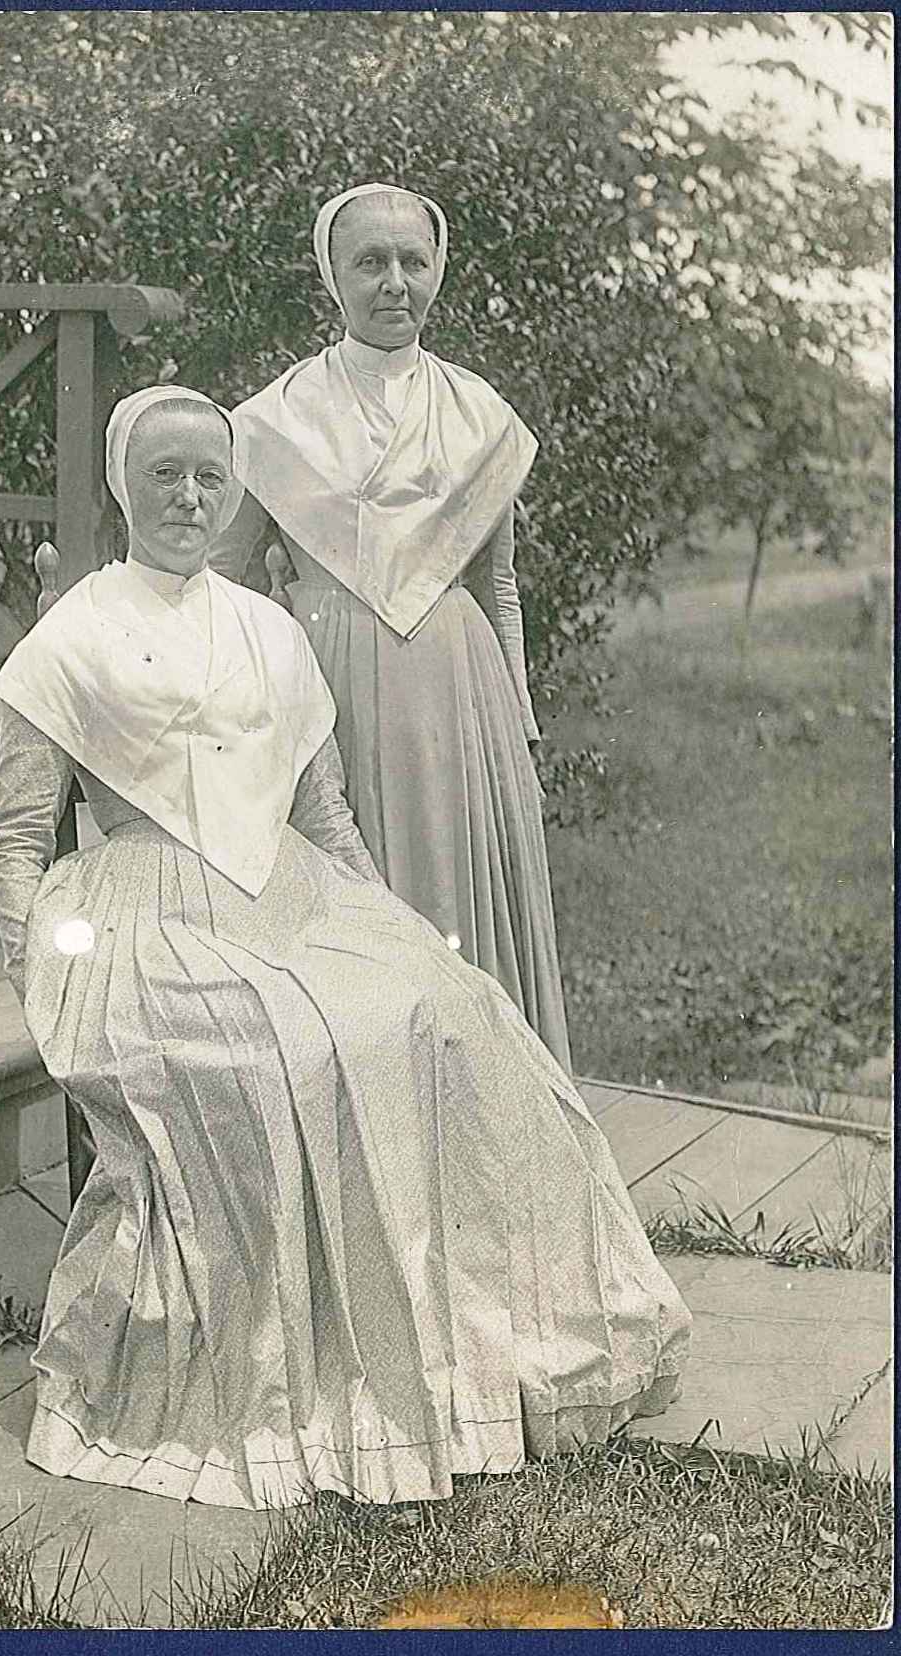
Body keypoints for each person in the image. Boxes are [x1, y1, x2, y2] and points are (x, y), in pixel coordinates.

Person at [0, 385, 689, 1513]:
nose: (191, 497)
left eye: (211, 476)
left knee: (455, 1011)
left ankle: (454, 1368)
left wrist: (395, 929)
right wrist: (41, 971)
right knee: (280, 1054)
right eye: (164, 473)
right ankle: (273, 1378)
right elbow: (12, 847)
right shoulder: (68, 637)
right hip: (137, 910)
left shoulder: (267, 628)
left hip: (288, 890)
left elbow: (322, 817)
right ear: (123, 486)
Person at [218, 182, 571, 1068]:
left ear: (438, 271)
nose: (394, 283)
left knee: (458, 921)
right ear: (331, 277)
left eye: (414, 262)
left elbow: (499, 584)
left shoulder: (478, 417)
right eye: (369, 262)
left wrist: (519, 722)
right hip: (327, 697)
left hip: (457, 696)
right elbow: (222, 582)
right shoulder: (272, 420)